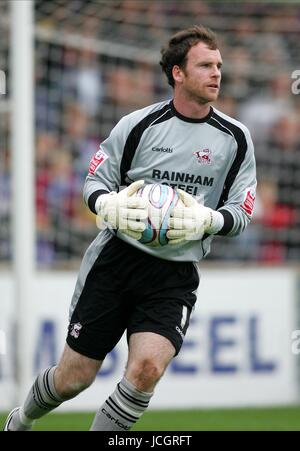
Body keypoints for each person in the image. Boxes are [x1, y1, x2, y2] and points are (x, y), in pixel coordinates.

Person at [4, 25, 256, 431]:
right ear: (177, 73)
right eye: (205, 65)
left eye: (219, 65)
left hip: (173, 274)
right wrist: (109, 205)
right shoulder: (137, 126)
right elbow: (94, 181)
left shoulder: (236, 139)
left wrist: (209, 219)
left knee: (146, 370)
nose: (217, 74)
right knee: (75, 378)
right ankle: (21, 419)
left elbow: (241, 212)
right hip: (116, 262)